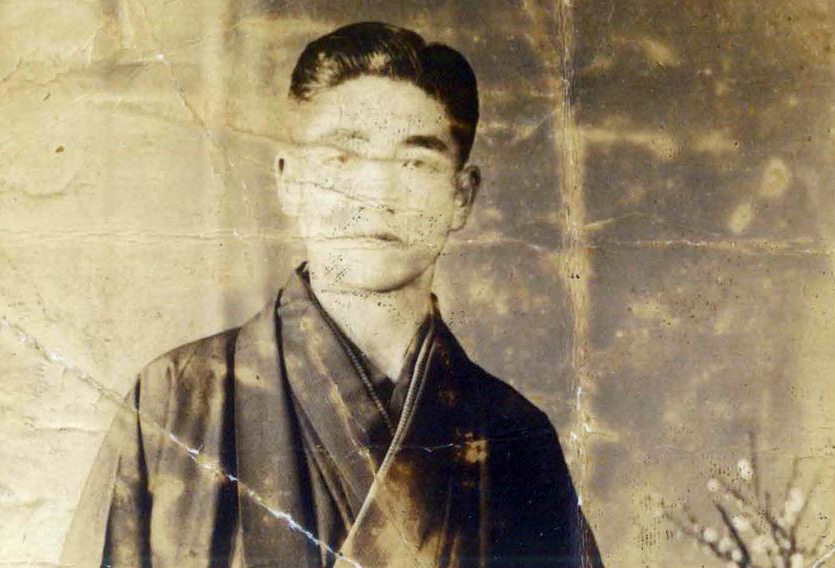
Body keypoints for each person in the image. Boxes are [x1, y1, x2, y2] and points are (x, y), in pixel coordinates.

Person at [62, 21, 603, 568]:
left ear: (462, 196)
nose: (377, 194)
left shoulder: (516, 438)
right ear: (289, 180)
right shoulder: (175, 399)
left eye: (416, 161)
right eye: (342, 158)